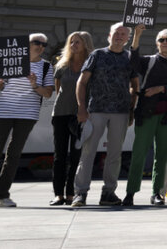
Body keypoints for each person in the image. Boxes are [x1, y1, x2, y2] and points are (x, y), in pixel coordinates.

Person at [0, 33, 54, 208]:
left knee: (13, 156)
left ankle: (2, 196)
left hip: (27, 114)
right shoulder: (11, 60)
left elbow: (48, 93)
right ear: (26, 44)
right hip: (3, 112)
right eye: (37, 43)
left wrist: (35, 85)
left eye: (44, 44)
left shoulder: (45, 67)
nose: (41, 47)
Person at [71, 23, 140, 208]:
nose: (119, 36)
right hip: (96, 110)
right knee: (88, 152)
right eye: (116, 33)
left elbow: (135, 84)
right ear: (109, 36)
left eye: (123, 34)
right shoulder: (97, 55)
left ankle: (109, 192)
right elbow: (82, 82)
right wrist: (81, 107)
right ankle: (80, 193)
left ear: (127, 38)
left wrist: (132, 108)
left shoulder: (129, 58)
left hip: (121, 111)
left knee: (115, 154)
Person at [125, 27, 167, 206]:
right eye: (162, 40)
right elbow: (133, 61)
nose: (165, 43)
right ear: (156, 43)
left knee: (162, 155)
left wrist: (162, 89)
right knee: (139, 153)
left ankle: (157, 193)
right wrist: (137, 35)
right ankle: (130, 193)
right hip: (146, 113)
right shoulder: (149, 61)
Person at [50, 31, 92, 206]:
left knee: (76, 155)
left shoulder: (91, 65)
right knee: (60, 155)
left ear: (85, 45)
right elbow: (59, 88)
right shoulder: (62, 66)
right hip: (60, 113)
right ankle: (58, 194)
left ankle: (71, 193)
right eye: (72, 42)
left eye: (78, 42)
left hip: (80, 115)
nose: (74, 45)